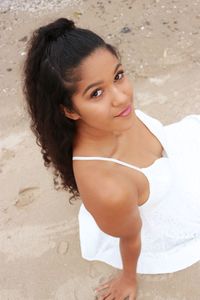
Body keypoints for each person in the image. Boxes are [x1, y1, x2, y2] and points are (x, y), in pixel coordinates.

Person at [23, 18, 200, 300]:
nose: (121, 97)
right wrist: (128, 278)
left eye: (118, 76)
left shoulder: (114, 115)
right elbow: (130, 237)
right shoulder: (108, 189)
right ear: (69, 110)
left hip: (182, 161)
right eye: (96, 93)